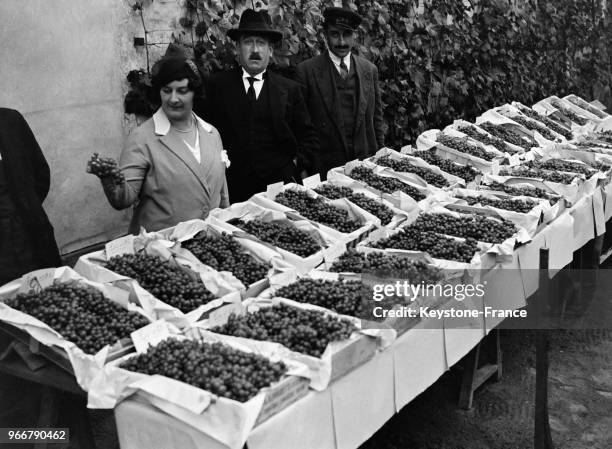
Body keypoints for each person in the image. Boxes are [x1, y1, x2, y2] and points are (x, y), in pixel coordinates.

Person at [93, 56, 230, 234]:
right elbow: (124, 199)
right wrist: (111, 181)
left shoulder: (211, 133)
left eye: (182, 91)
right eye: (167, 90)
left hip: (209, 245)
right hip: (160, 250)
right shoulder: (142, 138)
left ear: (194, 92)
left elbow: (222, 193)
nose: (173, 99)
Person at [202, 9, 319, 203]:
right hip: (233, 190)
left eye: (261, 43)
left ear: (270, 50)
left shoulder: (289, 89)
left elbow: (309, 137)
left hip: (278, 191)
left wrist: (294, 164)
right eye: (248, 42)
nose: (255, 50)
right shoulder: (217, 86)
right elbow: (205, 134)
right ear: (237, 49)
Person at [295, 7, 384, 178]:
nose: (342, 42)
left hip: (364, 165)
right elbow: (300, 127)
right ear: (325, 35)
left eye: (347, 35)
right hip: (325, 168)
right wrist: (303, 167)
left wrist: (380, 156)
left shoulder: (369, 70)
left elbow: (376, 120)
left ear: (355, 36)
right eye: (335, 34)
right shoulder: (306, 72)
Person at [0, 108, 61, 286]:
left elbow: (40, 173)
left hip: (31, 233)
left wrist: (28, 207)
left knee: (48, 293)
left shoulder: (10, 120)